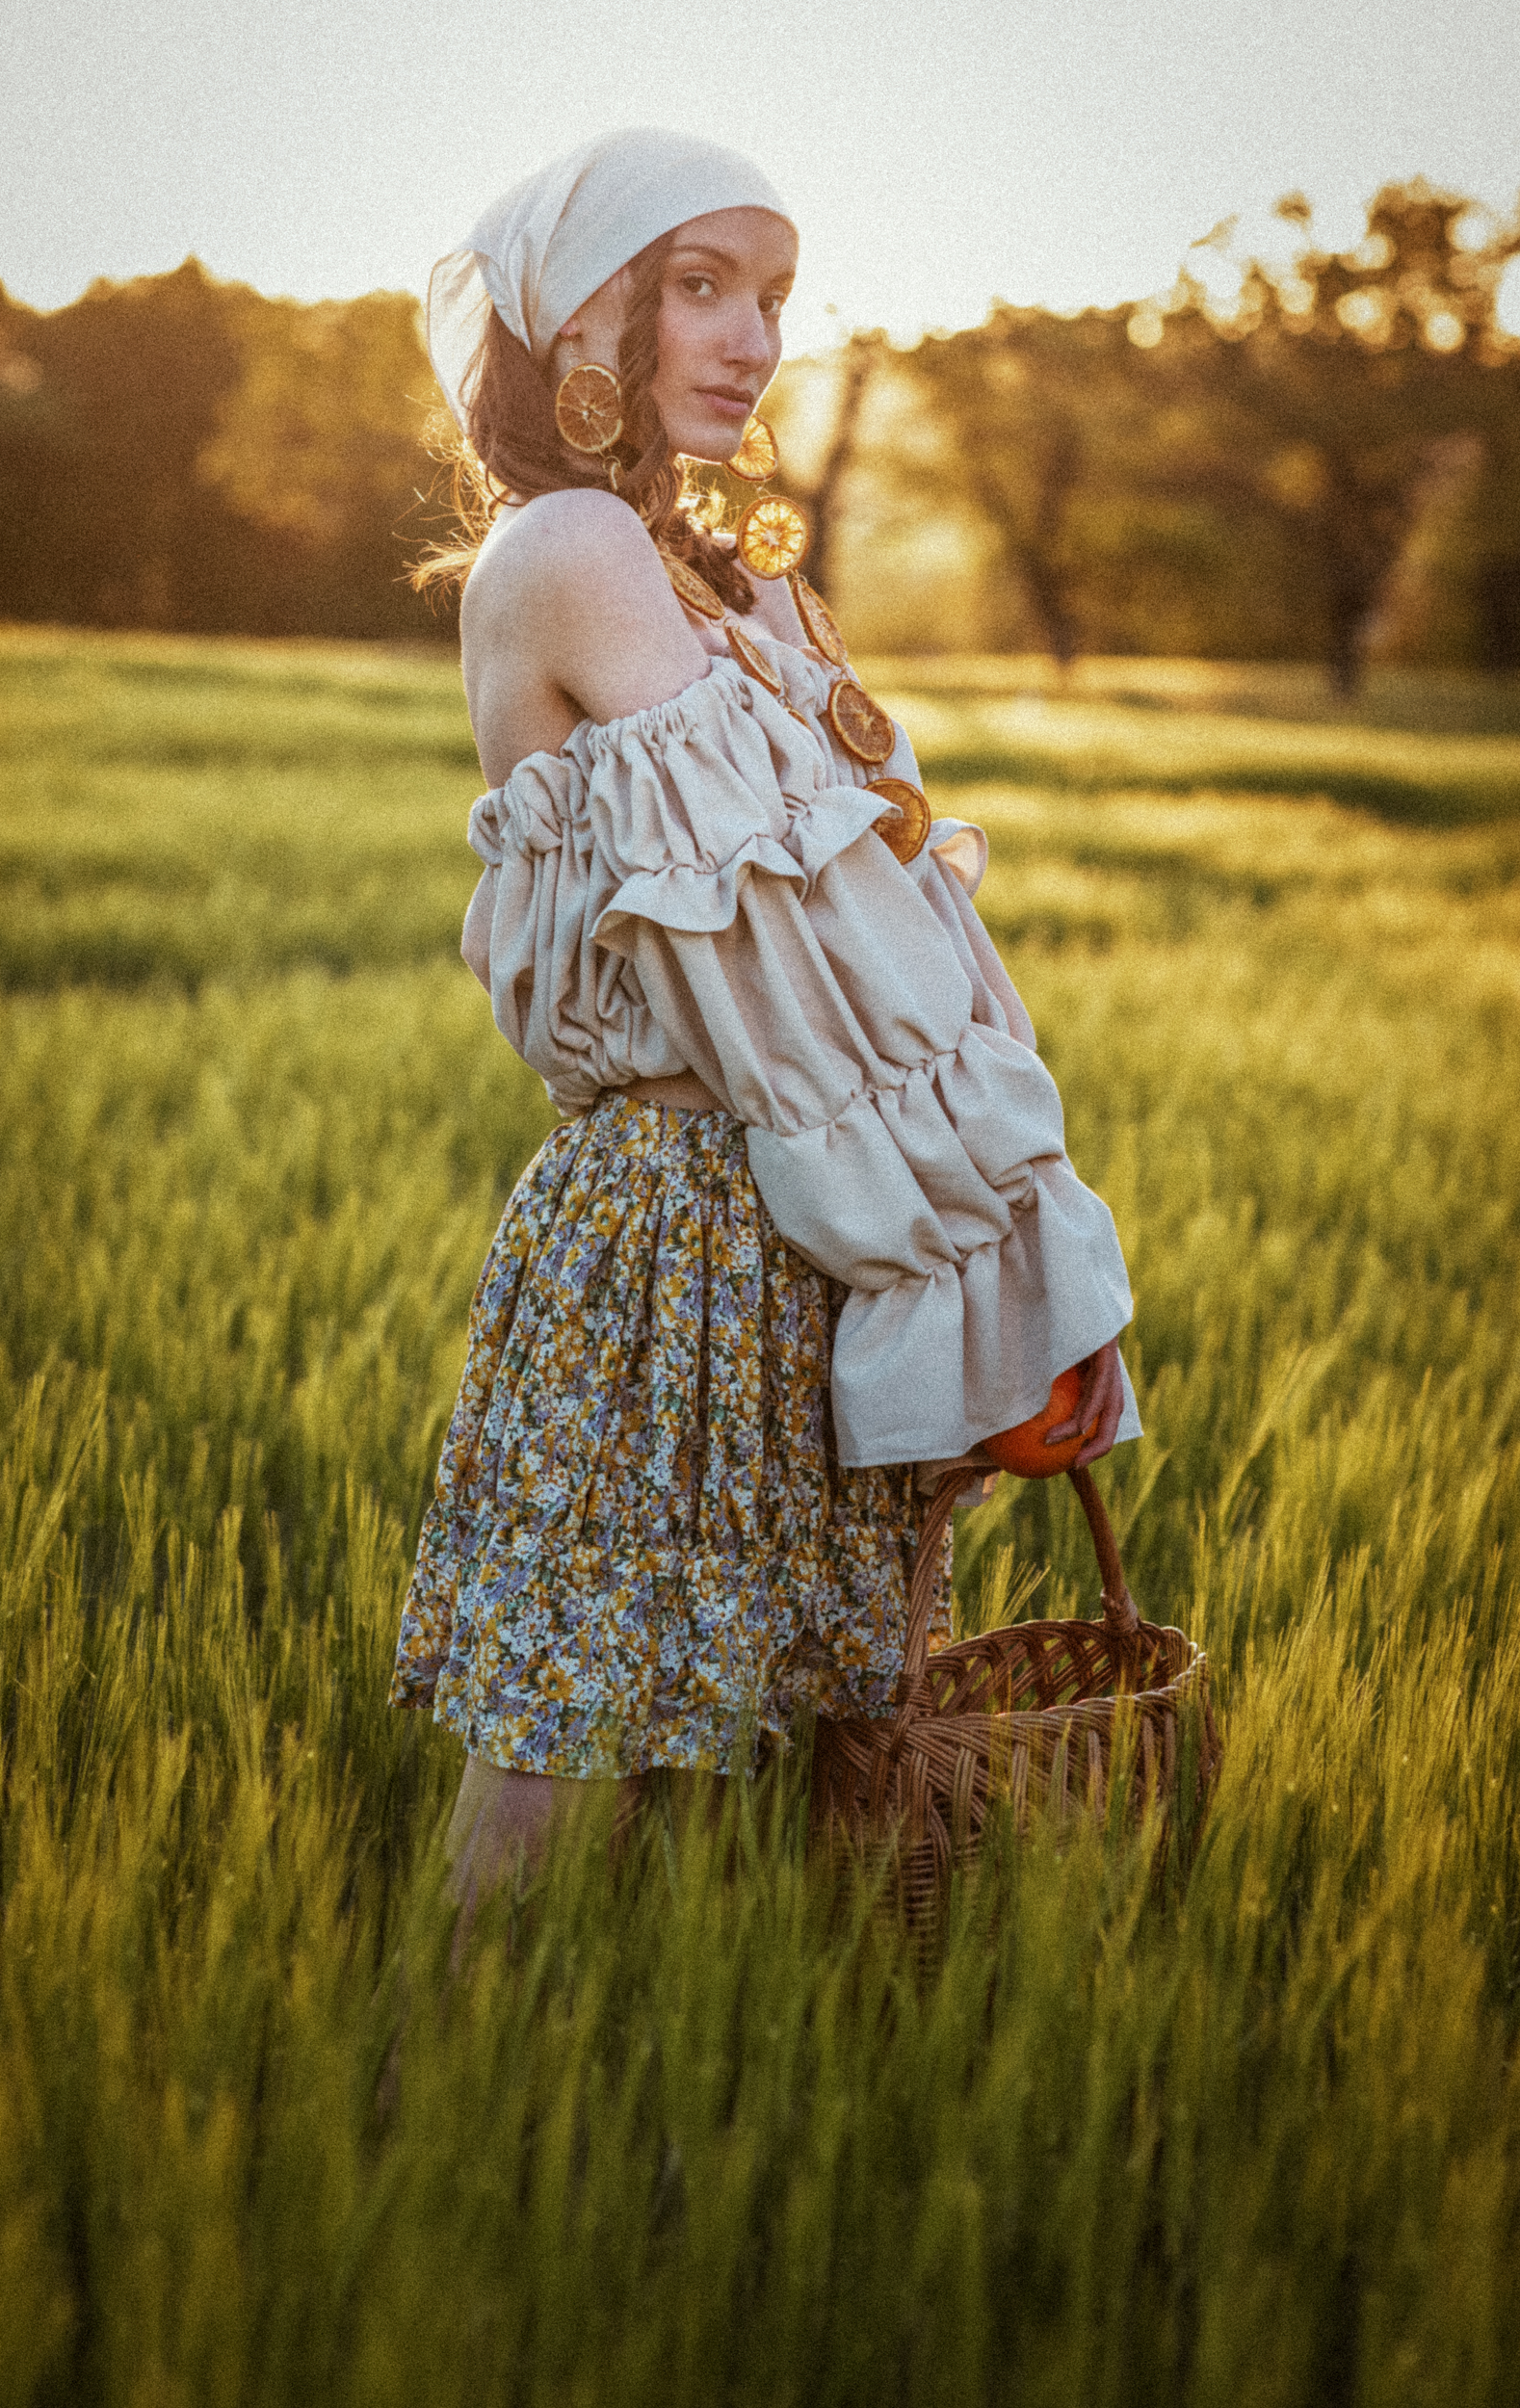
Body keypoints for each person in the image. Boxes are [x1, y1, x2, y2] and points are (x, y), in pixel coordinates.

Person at [388, 128, 1140, 1911]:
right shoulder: (571, 547)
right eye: (699, 286)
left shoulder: (724, 585)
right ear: (582, 321)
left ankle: (657, 2159)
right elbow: (819, 951)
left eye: (774, 297)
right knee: (570, 1757)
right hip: (685, 1238)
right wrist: (990, 1240)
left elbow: (909, 921)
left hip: (825, 1223)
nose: (750, 339)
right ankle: (426, 2123)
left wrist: (1017, 1249)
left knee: (787, 1778)